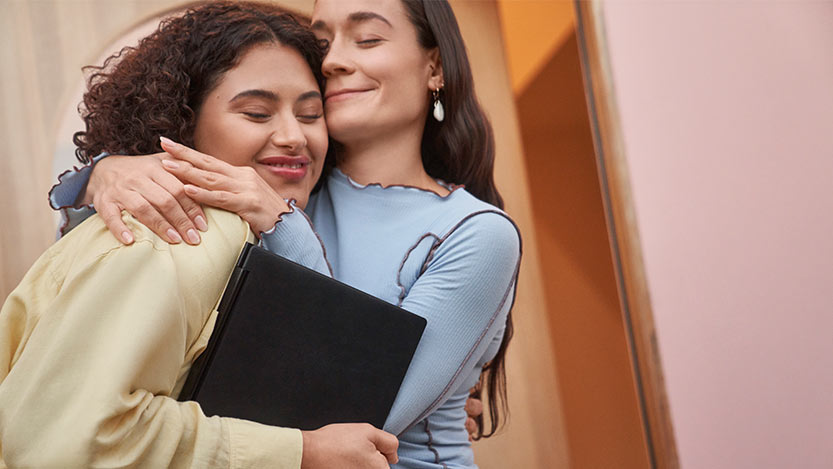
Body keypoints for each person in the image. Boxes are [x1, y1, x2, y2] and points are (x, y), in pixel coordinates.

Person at [49, 0, 521, 467]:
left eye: (368, 38)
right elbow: (96, 284)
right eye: (323, 44)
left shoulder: (475, 233)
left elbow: (364, 416)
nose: (334, 59)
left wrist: (282, 222)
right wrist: (103, 172)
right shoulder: (285, 178)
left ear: (434, 66)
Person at [0, 3, 399, 468]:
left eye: (310, 116)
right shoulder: (178, 235)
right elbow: (63, 441)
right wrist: (301, 451)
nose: (293, 136)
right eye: (255, 112)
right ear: (184, 119)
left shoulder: (255, 232)